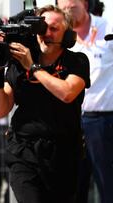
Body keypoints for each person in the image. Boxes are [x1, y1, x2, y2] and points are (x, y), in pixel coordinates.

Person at [0, 5, 90, 203]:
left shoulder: (76, 61)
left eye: (54, 28)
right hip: (24, 152)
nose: (47, 34)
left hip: (64, 155)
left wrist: (33, 68)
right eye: (43, 28)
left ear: (68, 34)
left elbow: (67, 93)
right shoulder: (19, 63)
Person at [57, 1, 113, 203]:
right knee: (72, 188)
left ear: (86, 4)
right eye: (63, 8)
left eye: (73, 7)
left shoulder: (109, 27)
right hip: (69, 121)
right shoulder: (56, 34)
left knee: (107, 185)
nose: (68, 12)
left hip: (102, 122)